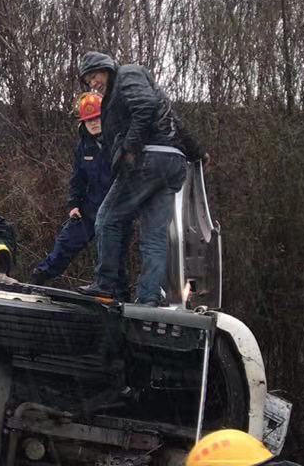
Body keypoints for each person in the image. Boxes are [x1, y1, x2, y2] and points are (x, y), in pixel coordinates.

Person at [75, 52, 206, 304]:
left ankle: (105, 284)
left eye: (95, 75)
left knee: (107, 219)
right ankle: (148, 298)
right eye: (88, 80)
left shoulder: (127, 74)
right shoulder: (133, 89)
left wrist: (129, 149)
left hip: (149, 159)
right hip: (172, 163)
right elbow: (173, 121)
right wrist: (197, 152)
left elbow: (144, 106)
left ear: (107, 68)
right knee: (154, 238)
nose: (93, 83)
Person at [29, 92, 112, 286]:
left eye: (97, 118)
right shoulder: (83, 147)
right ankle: (38, 278)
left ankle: (111, 290)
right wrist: (74, 204)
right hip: (90, 208)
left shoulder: (116, 141)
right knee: (66, 242)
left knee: (111, 251)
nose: (93, 123)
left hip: (114, 208)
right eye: (88, 120)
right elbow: (78, 179)